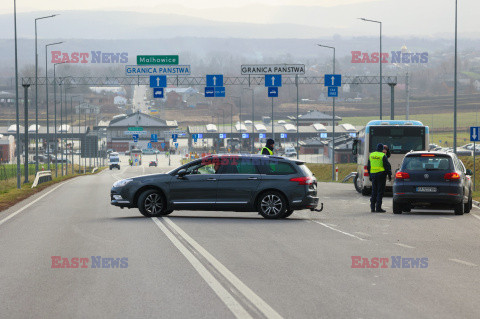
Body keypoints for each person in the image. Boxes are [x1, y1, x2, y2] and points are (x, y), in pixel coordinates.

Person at [367, 143, 392, 213]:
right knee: (380, 192)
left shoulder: (371, 155)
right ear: (382, 149)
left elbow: (368, 166)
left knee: (374, 191)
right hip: (381, 175)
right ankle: (378, 208)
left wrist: (370, 175)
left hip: (373, 175)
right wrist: (389, 176)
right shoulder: (383, 155)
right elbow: (387, 167)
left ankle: (372, 208)